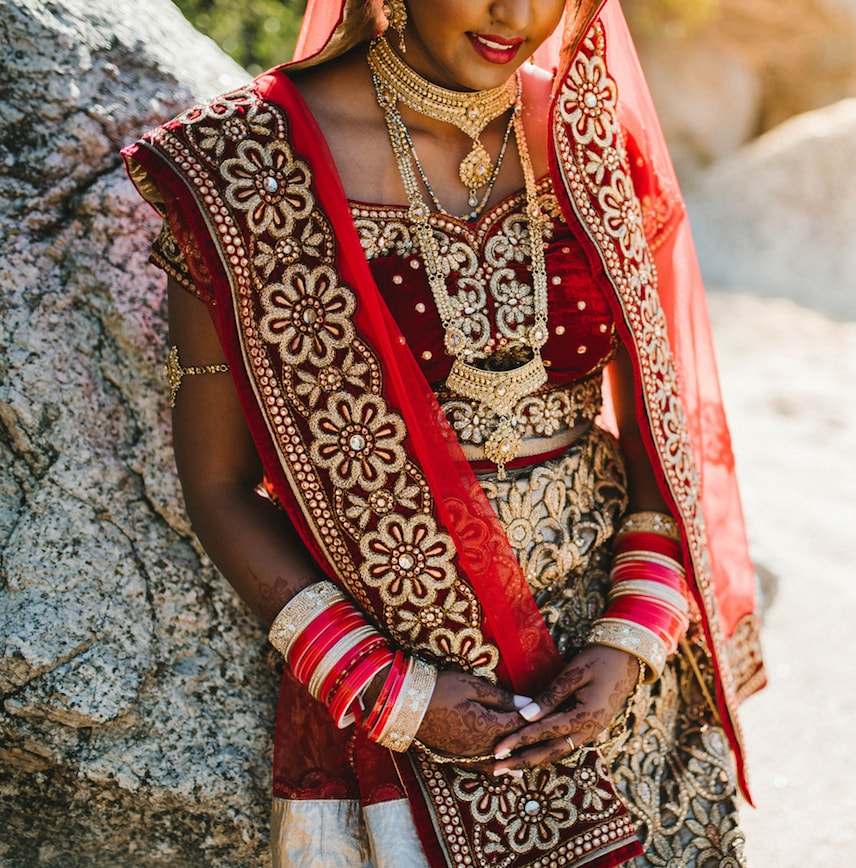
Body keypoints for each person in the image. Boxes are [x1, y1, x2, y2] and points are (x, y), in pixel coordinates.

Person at [122, 0, 764, 864]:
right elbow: (218, 484)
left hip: (616, 678)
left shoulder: (584, 135)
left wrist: (630, 638)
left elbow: (657, 421)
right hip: (402, 672)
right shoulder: (242, 166)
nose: (518, 15)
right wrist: (391, 693)